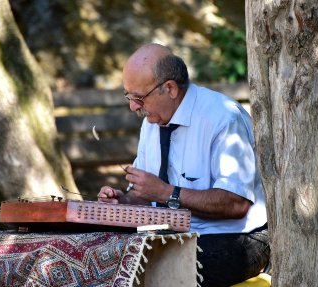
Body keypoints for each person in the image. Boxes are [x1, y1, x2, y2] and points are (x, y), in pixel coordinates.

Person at [97, 43, 270, 287]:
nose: (133, 106)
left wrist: (166, 193)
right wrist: (125, 201)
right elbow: (150, 194)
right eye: (129, 96)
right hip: (174, 233)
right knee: (102, 253)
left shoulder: (222, 117)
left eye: (139, 97)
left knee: (156, 268)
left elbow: (236, 202)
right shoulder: (152, 122)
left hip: (237, 237)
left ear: (170, 88)